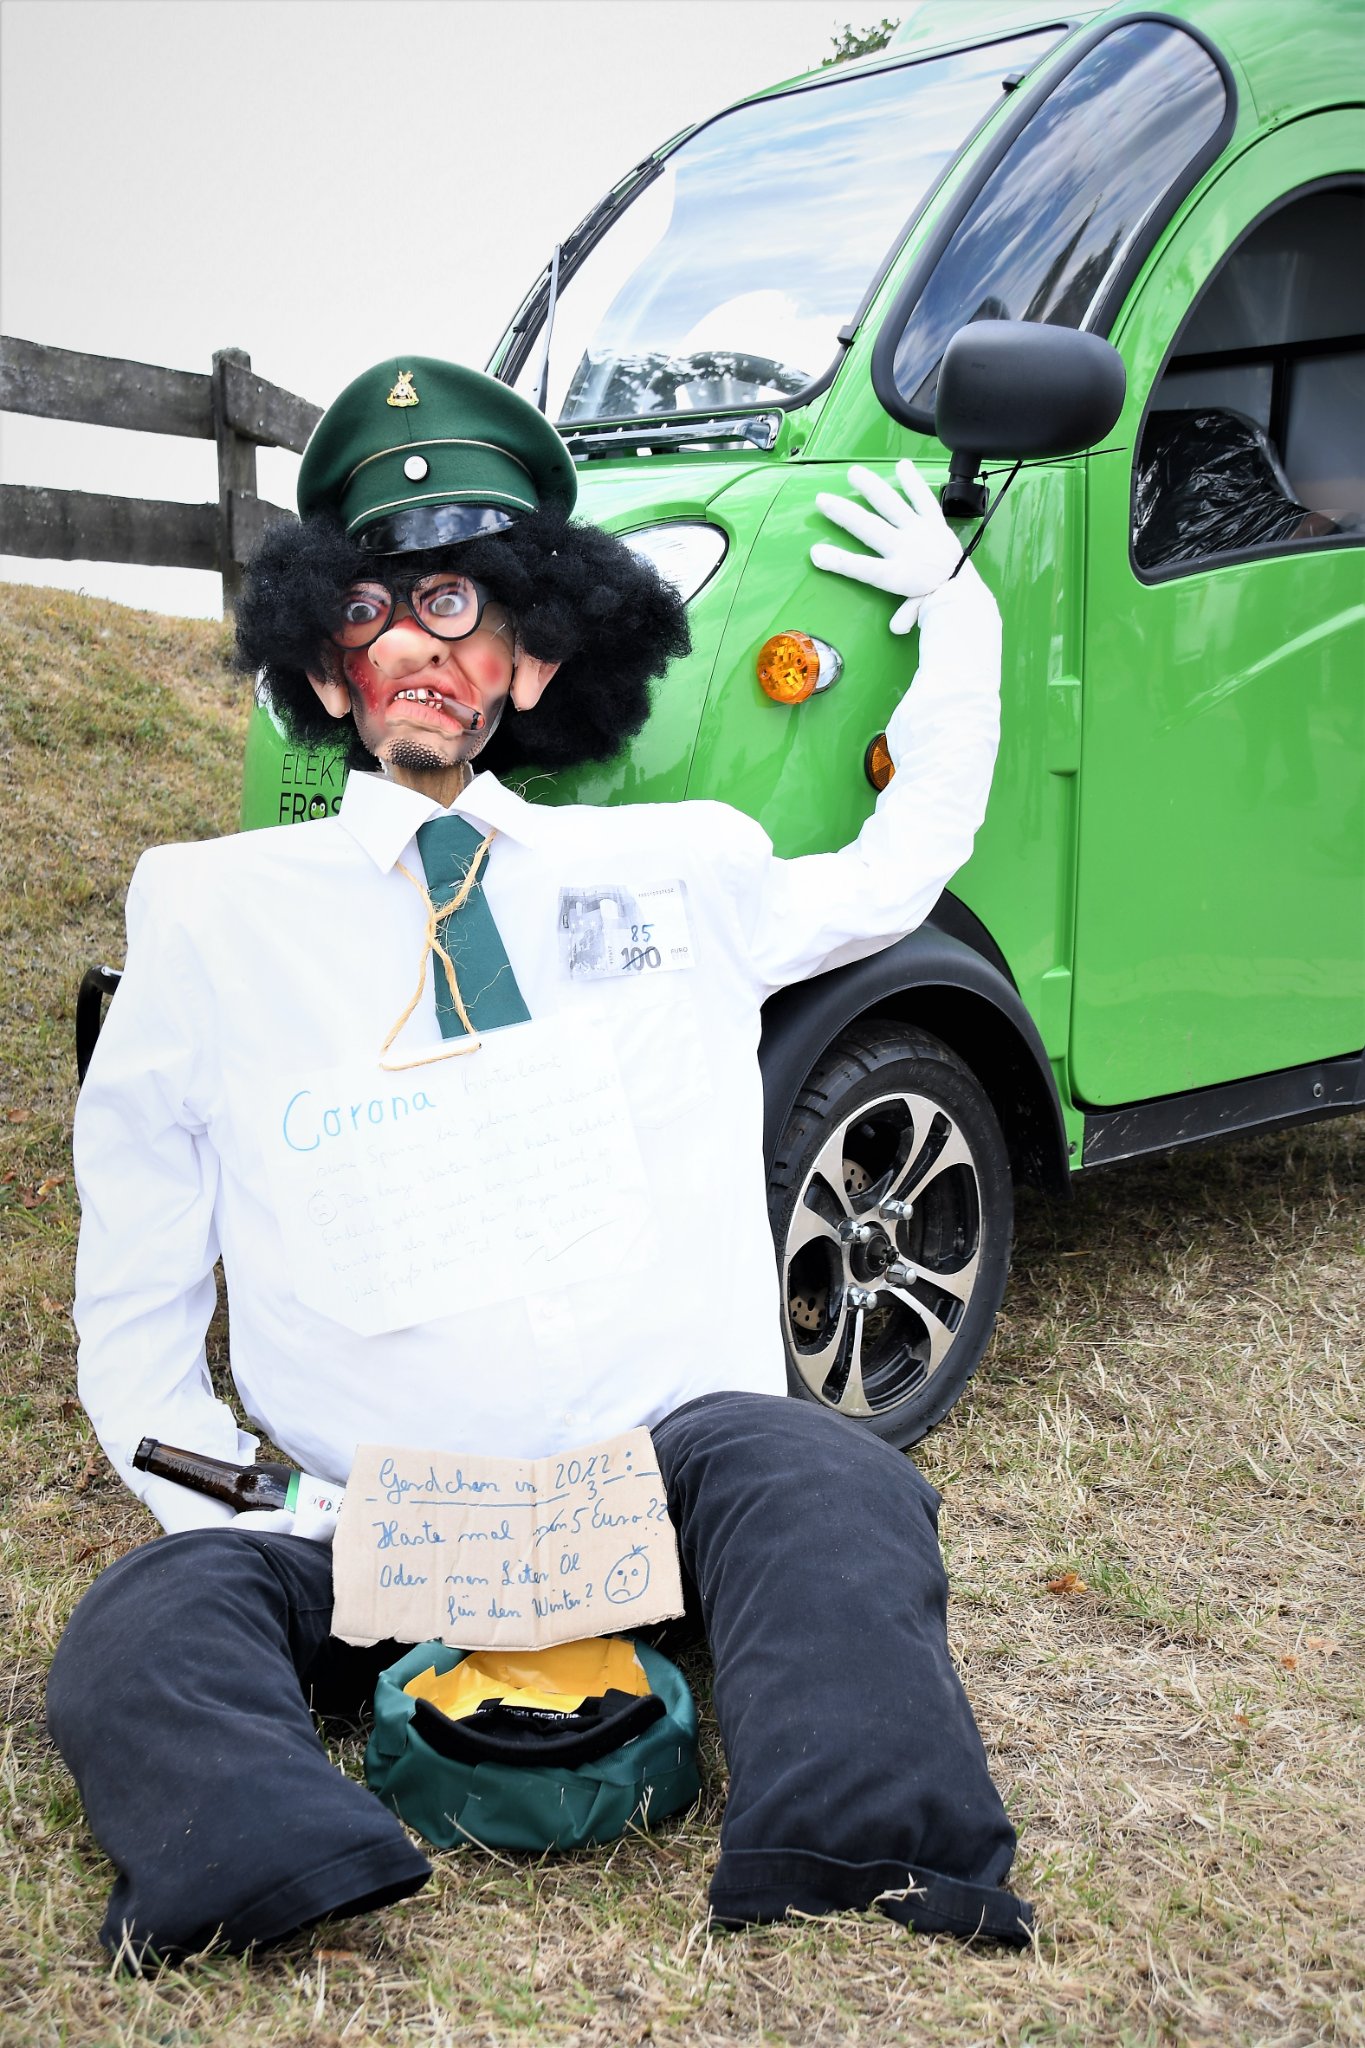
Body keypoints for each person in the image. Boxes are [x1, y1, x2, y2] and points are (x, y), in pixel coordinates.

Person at [50, 356, 1030, 1964]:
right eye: (368, 608)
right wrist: (267, 1499)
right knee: (143, 1629)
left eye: (458, 603)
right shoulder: (209, 912)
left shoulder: (679, 866)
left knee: (837, 1488)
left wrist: (960, 627)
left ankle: (860, 1847)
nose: (415, 646)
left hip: (656, 1491)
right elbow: (141, 1273)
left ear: (531, 657)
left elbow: (894, 869)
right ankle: (271, 1866)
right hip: (368, 1523)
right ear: (325, 667)